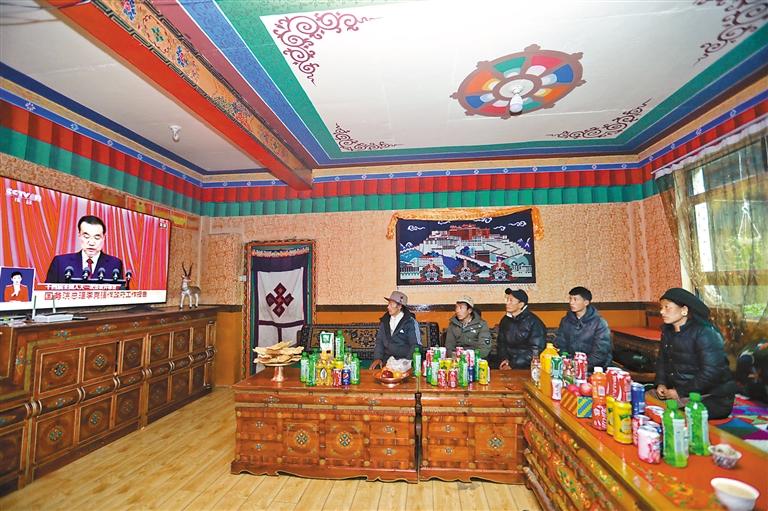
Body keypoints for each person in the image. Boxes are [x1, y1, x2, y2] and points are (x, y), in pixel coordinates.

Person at [653, 288, 737, 419]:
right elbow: (662, 361)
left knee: (673, 417)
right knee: (646, 401)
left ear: (684, 310)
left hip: (711, 397)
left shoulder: (705, 333)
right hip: (679, 391)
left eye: (667, 307)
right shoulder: (668, 332)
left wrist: (680, 392)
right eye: (661, 307)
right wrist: (661, 383)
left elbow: (711, 373)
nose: (662, 311)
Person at [46, 215, 123, 283]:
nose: (91, 243)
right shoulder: (60, 262)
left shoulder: (115, 264)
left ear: (103, 238)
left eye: (97, 237)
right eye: (86, 237)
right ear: (79, 235)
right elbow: (46, 292)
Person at [553, 286, 612, 371]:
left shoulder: (599, 323)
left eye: (575, 299)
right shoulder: (565, 321)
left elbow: (599, 354)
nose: (571, 302)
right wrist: (568, 362)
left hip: (594, 368)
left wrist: (578, 366)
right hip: (570, 366)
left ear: (586, 302)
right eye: (570, 299)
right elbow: (560, 345)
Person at [371, 291, 421, 370]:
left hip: (405, 360)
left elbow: (415, 345)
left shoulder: (410, 322)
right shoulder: (385, 321)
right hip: (387, 360)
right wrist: (378, 358)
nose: (388, 307)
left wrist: (407, 362)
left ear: (400, 306)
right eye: (388, 304)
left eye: (391, 304)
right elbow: (379, 341)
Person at [498, 288, 546, 369]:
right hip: (507, 364)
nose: (507, 303)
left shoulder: (534, 322)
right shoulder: (505, 320)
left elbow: (535, 351)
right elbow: (501, 344)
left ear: (521, 304)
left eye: (511, 300)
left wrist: (512, 365)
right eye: (507, 300)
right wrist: (504, 360)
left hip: (527, 367)